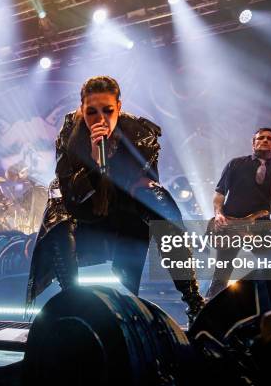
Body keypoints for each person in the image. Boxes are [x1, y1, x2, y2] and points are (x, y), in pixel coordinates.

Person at [26, 76, 205, 323]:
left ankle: (193, 299)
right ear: (81, 110)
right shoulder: (70, 131)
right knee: (57, 216)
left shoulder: (140, 134)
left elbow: (142, 188)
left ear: (119, 108)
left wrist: (114, 168)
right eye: (91, 112)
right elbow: (70, 194)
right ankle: (72, 300)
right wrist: (93, 164)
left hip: (121, 212)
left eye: (108, 111)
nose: (100, 119)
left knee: (160, 202)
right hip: (82, 210)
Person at [207, 127, 271, 298]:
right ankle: (207, 314)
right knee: (221, 276)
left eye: (269, 139)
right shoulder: (235, 164)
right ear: (253, 143)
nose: (264, 140)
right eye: (260, 138)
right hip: (230, 226)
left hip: (260, 227)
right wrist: (219, 213)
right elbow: (219, 193)